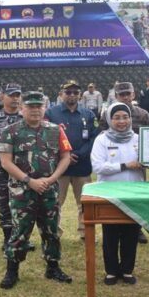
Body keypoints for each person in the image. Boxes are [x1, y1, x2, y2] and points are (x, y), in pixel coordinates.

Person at [0, 91, 73, 289]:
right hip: (22, 191)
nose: (35, 110)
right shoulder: (10, 131)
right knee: (20, 230)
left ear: (44, 108)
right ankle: (12, 271)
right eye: (30, 106)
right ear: (22, 109)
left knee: (52, 230)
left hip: (49, 189)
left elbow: (65, 156)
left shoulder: (56, 130)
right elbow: (5, 162)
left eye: (39, 106)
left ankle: (53, 267)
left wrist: (52, 178)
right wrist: (29, 181)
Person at [91, 102, 143, 285]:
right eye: (116, 117)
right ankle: (111, 271)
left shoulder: (139, 138)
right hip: (109, 193)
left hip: (134, 191)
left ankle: (127, 270)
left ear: (130, 118)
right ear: (109, 119)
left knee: (131, 231)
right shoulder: (102, 139)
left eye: (125, 117)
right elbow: (97, 166)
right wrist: (124, 165)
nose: (121, 121)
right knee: (110, 233)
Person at [99, 81, 149, 244]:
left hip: (138, 162)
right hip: (114, 158)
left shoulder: (143, 114)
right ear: (116, 96)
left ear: (133, 94)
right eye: (121, 94)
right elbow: (103, 132)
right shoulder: (107, 114)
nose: (125, 97)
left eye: (127, 94)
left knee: (137, 197)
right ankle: (116, 228)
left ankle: (136, 229)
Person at [45, 80, 98, 240]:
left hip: (81, 165)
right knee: (55, 203)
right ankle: (54, 232)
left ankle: (86, 232)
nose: (72, 95)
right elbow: (47, 137)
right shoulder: (51, 113)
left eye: (76, 92)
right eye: (68, 92)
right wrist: (65, 156)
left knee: (85, 203)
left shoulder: (88, 114)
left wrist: (79, 154)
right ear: (61, 94)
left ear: (80, 95)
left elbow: (93, 137)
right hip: (59, 167)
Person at [0, 83, 31, 250]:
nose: (15, 98)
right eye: (11, 95)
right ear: (2, 96)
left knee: (24, 205)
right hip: (2, 172)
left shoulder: (26, 119)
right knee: (4, 205)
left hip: (24, 172)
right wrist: (7, 166)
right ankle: (8, 238)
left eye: (18, 95)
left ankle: (23, 238)